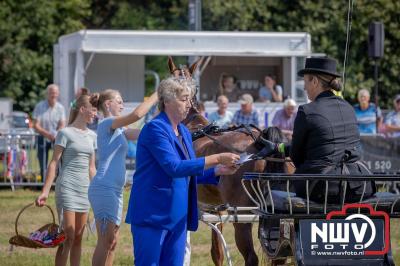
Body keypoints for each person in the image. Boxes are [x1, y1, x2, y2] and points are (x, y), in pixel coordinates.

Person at [125, 77, 240, 266]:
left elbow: (188, 170)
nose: (190, 104)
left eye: (190, 99)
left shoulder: (184, 132)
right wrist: (217, 158)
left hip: (178, 216)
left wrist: (217, 171)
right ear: (167, 101)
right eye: (184, 99)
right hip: (153, 215)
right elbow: (174, 167)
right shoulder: (155, 128)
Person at [256, 57, 374, 203]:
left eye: (305, 82)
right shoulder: (349, 108)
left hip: (321, 188)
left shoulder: (307, 110)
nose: (304, 88)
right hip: (360, 185)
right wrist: (277, 147)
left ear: (315, 81)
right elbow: (326, 144)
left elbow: (297, 157)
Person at [88, 89, 158, 266]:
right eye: (119, 101)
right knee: (105, 242)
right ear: (107, 104)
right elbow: (136, 114)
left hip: (115, 191)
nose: (122, 105)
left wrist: (162, 116)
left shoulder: (119, 129)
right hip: (104, 188)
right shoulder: (107, 123)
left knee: (112, 243)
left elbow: (143, 134)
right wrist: (158, 93)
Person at [35, 91, 98, 266]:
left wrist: (98, 190)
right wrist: (45, 191)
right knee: (67, 236)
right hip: (67, 188)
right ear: (83, 109)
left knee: (78, 237)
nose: (95, 114)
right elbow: (54, 163)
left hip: (84, 190)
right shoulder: (65, 133)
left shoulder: (93, 136)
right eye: (93, 110)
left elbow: (91, 167)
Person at [32, 84, 66, 181]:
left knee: (59, 160)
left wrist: (56, 133)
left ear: (58, 94)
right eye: (51, 92)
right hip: (42, 137)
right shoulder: (39, 106)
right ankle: (43, 183)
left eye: (55, 92)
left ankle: (57, 182)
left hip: (56, 138)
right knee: (43, 162)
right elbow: (36, 125)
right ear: (47, 93)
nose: (53, 94)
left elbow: (62, 123)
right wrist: (48, 134)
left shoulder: (61, 108)